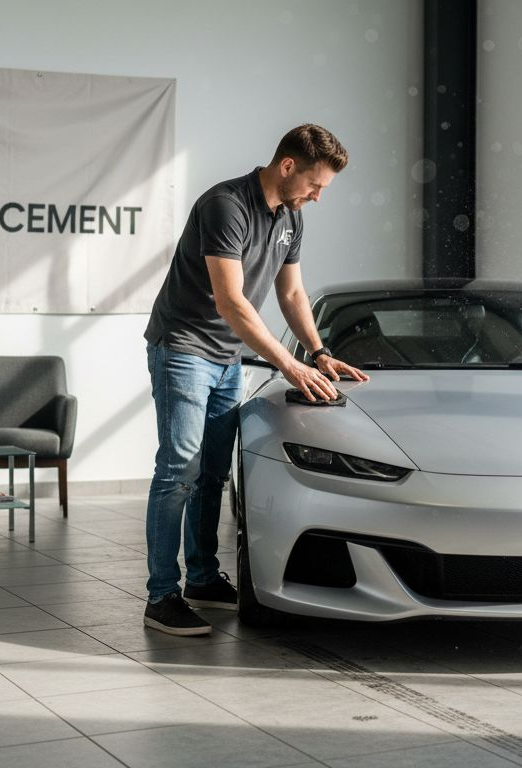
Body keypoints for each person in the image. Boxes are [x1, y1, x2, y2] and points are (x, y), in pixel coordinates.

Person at [140, 124, 369, 636]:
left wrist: (319, 351)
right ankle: (160, 596)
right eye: (316, 184)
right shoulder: (226, 205)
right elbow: (231, 301)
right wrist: (289, 366)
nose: (317, 196)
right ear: (287, 166)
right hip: (184, 349)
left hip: (227, 358)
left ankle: (201, 579)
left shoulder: (292, 217)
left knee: (214, 474)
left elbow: (291, 295)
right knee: (179, 469)